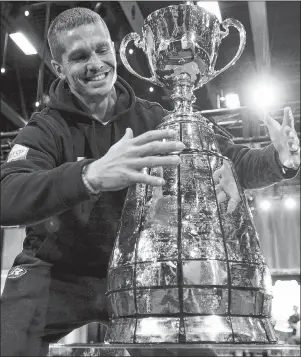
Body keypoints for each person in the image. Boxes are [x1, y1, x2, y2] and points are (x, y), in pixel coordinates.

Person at [0, 7, 300, 357]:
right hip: (56, 274)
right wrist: (89, 175)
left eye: (101, 49)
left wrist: (279, 160)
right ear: (59, 67)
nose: (96, 63)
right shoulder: (44, 129)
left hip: (138, 271)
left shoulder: (155, 117)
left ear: (114, 48)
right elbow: (7, 195)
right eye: (79, 56)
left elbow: (234, 161)